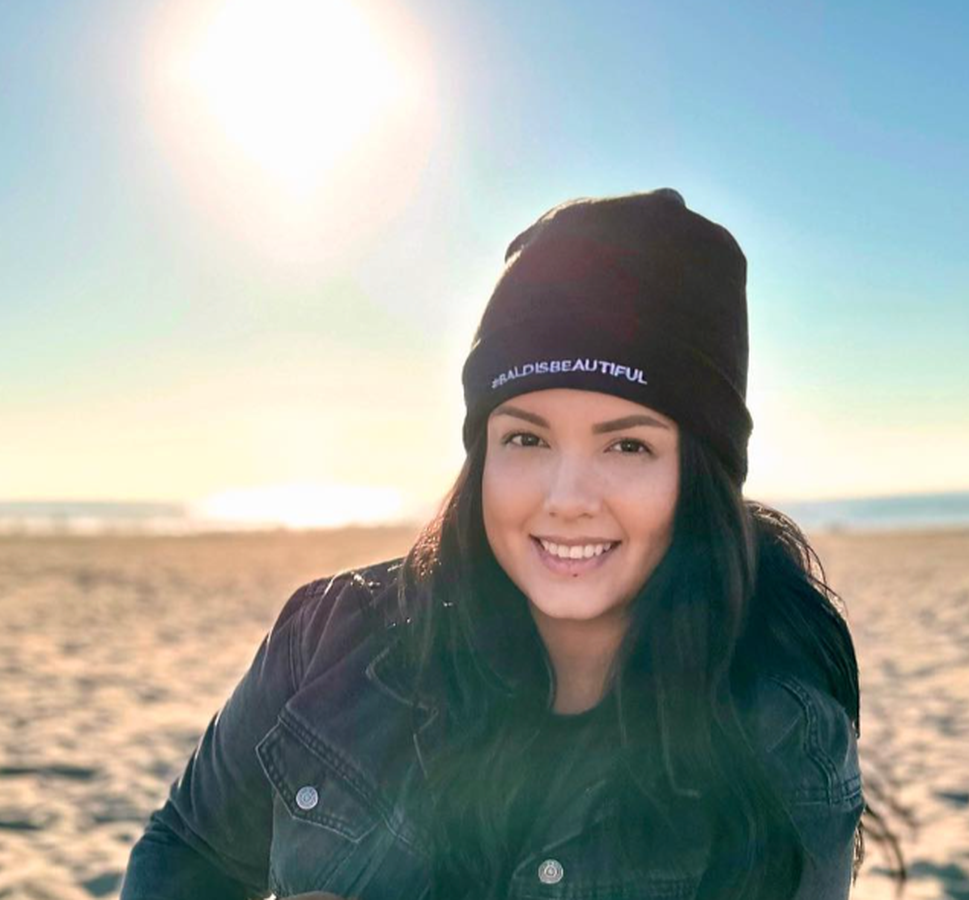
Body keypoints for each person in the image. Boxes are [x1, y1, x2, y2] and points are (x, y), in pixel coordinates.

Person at [120, 188, 889, 900]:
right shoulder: (328, 639)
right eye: (526, 438)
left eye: (627, 446)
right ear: (481, 453)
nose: (567, 498)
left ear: (698, 475)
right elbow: (185, 850)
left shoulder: (782, 734)